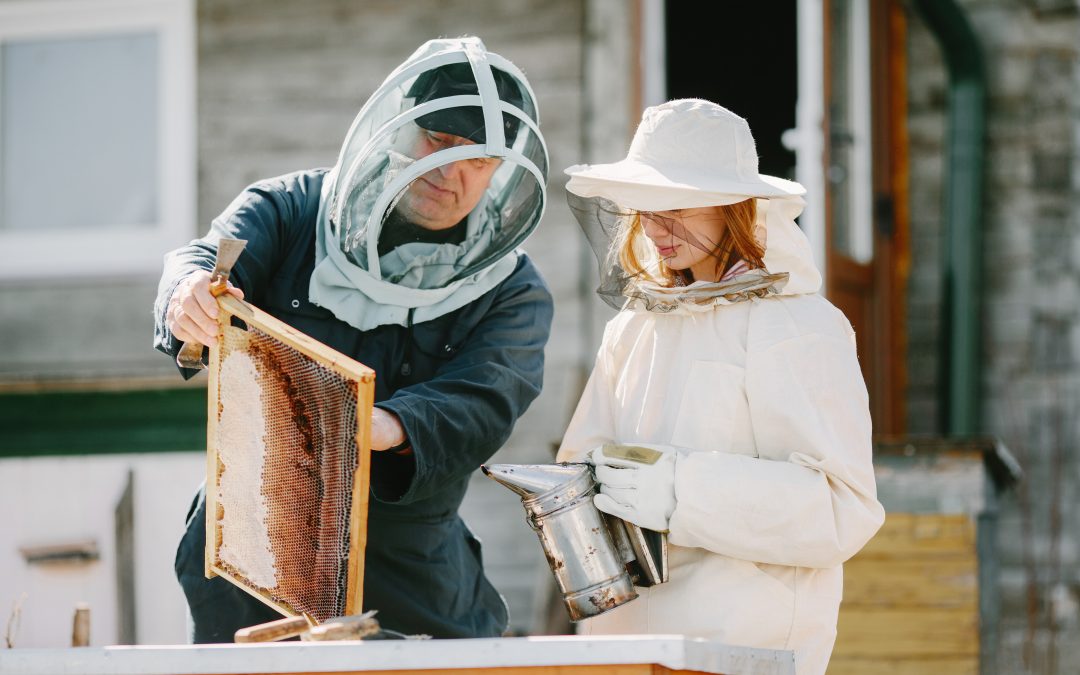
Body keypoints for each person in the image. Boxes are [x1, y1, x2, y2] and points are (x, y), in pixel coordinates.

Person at [154, 37, 553, 642]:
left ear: (502, 170)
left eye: (478, 160)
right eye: (437, 140)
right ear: (399, 125)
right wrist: (186, 295)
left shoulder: (513, 290)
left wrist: (376, 424)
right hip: (252, 547)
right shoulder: (288, 210)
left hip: (412, 573)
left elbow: (486, 398)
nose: (450, 171)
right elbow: (201, 260)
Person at [556, 99, 885, 674]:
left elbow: (842, 509)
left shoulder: (798, 326)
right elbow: (581, 469)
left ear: (733, 206)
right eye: (644, 208)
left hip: (743, 650)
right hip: (624, 651)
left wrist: (682, 490)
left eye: (675, 207)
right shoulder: (632, 328)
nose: (653, 228)